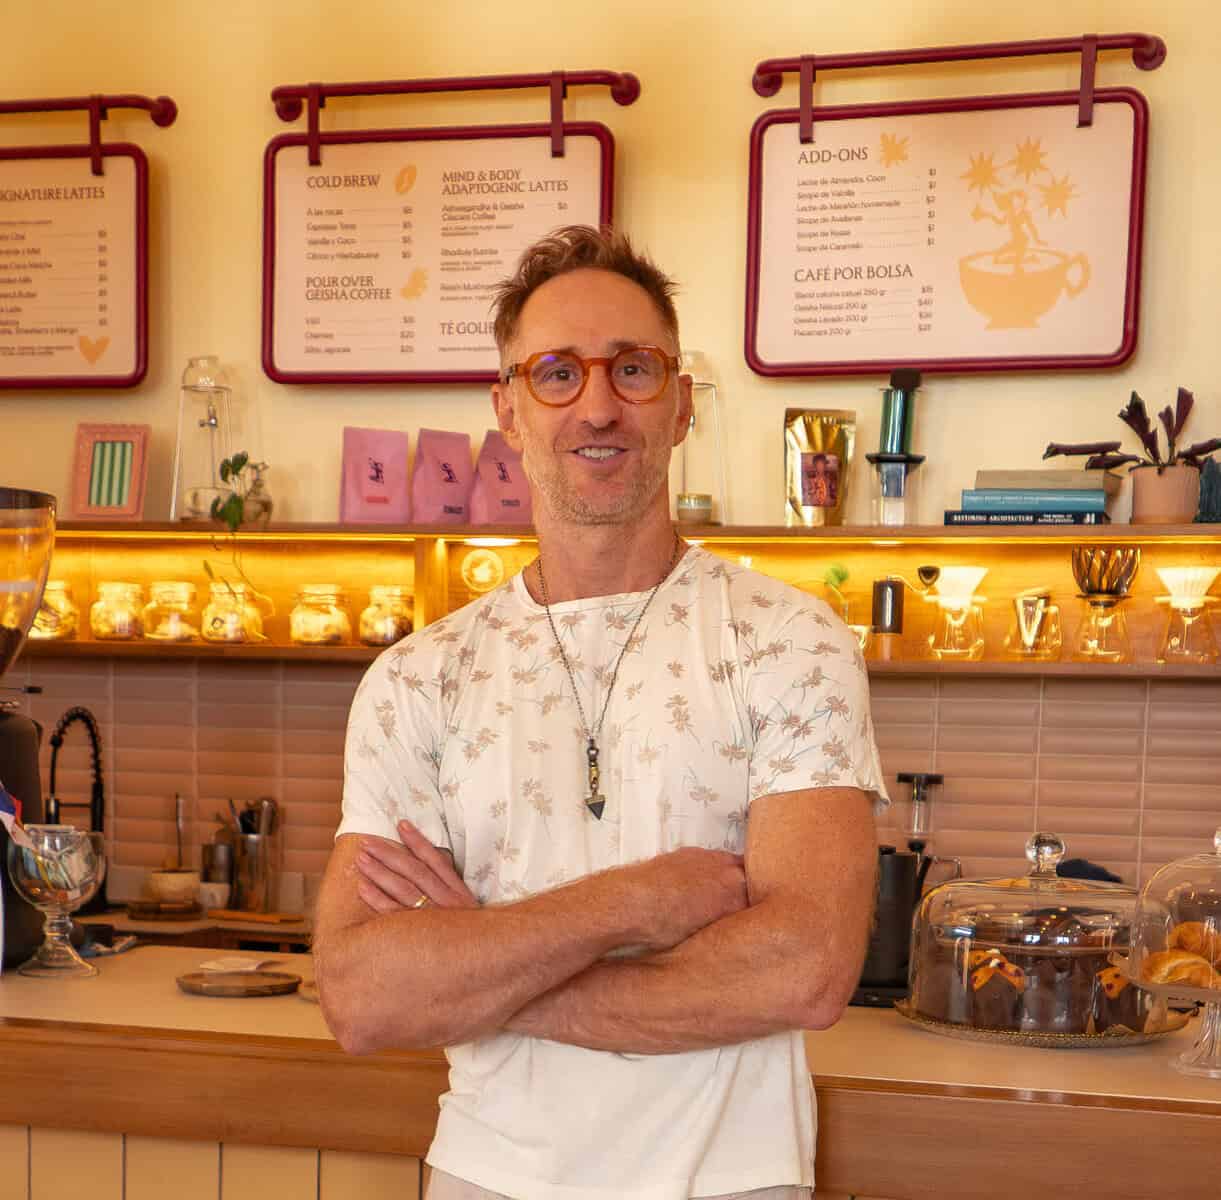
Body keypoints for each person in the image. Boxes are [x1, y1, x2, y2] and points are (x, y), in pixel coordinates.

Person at [313, 225, 886, 1200]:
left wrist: (482, 962)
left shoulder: (790, 644)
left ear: (682, 403)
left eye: (633, 368)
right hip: (486, 1179)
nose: (599, 405)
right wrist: (643, 900)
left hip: (733, 1184)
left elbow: (805, 970)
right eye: (556, 373)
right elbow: (364, 995)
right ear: (507, 408)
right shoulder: (421, 679)